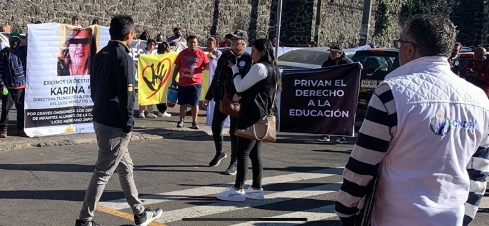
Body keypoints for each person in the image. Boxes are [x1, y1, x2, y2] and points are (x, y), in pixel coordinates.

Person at [335, 14, 489, 226]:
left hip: (393, 217)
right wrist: (466, 216)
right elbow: (479, 171)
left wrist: (346, 210)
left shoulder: (391, 93)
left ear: (409, 48)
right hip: (451, 217)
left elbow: (362, 164)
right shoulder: (480, 99)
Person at [75, 14, 163, 226]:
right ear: (130, 34)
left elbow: (93, 87)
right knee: (103, 171)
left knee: (125, 167)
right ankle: (84, 220)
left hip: (101, 117)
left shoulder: (101, 54)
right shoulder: (124, 57)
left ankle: (140, 212)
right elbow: (127, 95)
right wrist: (128, 124)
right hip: (115, 123)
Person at [217, 39, 279, 201]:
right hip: (261, 114)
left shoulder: (259, 67)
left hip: (251, 114)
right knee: (255, 154)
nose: (252, 55)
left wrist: (235, 69)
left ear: (262, 52)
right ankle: (256, 188)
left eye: (254, 52)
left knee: (242, 152)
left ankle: (238, 189)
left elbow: (240, 86)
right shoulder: (272, 68)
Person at [204, 31, 253, 175]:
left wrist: (240, 95)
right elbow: (216, 76)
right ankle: (220, 152)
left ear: (243, 42)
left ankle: (235, 161)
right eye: (231, 39)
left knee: (234, 132)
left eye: (235, 39)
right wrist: (208, 96)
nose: (231, 41)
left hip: (236, 100)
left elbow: (248, 81)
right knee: (215, 126)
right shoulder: (225, 55)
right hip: (221, 97)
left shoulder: (248, 59)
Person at [318, 44, 354, 143]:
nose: (332, 54)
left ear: (340, 53)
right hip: (329, 92)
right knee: (327, 113)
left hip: (342, 94)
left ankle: (341, 136)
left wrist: (358, 66)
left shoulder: (348, 63)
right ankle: (326, 134)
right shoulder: (326, 63)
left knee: (341, 114)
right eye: (331, 52)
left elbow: (353, 72)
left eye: (334, 52)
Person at [171, 35, 209, 129]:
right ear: (187, 43)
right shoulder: (182, 53)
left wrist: (211, 59)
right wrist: (173, 79)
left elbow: (208, 66)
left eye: (194, 42)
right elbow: (177, 67)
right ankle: (181, 121)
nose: (193, 44)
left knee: (194, 104)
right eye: (191, 42)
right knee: (182, 104)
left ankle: (194, 121)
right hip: (183, 82)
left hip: (196, 83)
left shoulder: (201, 54)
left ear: (197, 43)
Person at [0, 32, 27, 138]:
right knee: (6, 111)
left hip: (22, 87)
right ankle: (3, 129)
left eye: (16, 40)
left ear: (19, 41)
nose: (14, 42)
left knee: (21, 111)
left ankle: (20, 129)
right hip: (9, 88)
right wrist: (2, 86)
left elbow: (33, 44)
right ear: (9, 40)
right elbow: (0, 72)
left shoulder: (23, 51)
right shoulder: (4, 53)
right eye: (12, 40)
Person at [138, 39, 158, 119]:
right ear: (147, 44)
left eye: (153, 44)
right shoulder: (142, 52)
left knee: (151, 94)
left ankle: (150, 111)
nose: (151, 46)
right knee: (143, 93)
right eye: (150, 44)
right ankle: (141, 111)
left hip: (152, 76)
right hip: (144, 76)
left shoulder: (155, 53)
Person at [155, 41, 172, 118]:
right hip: (162, 77)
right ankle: (162, 111)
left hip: (162, 77)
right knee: (162, 95)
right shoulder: (167, 56)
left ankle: (161, 110)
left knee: (162, 94)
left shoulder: (157, 56)